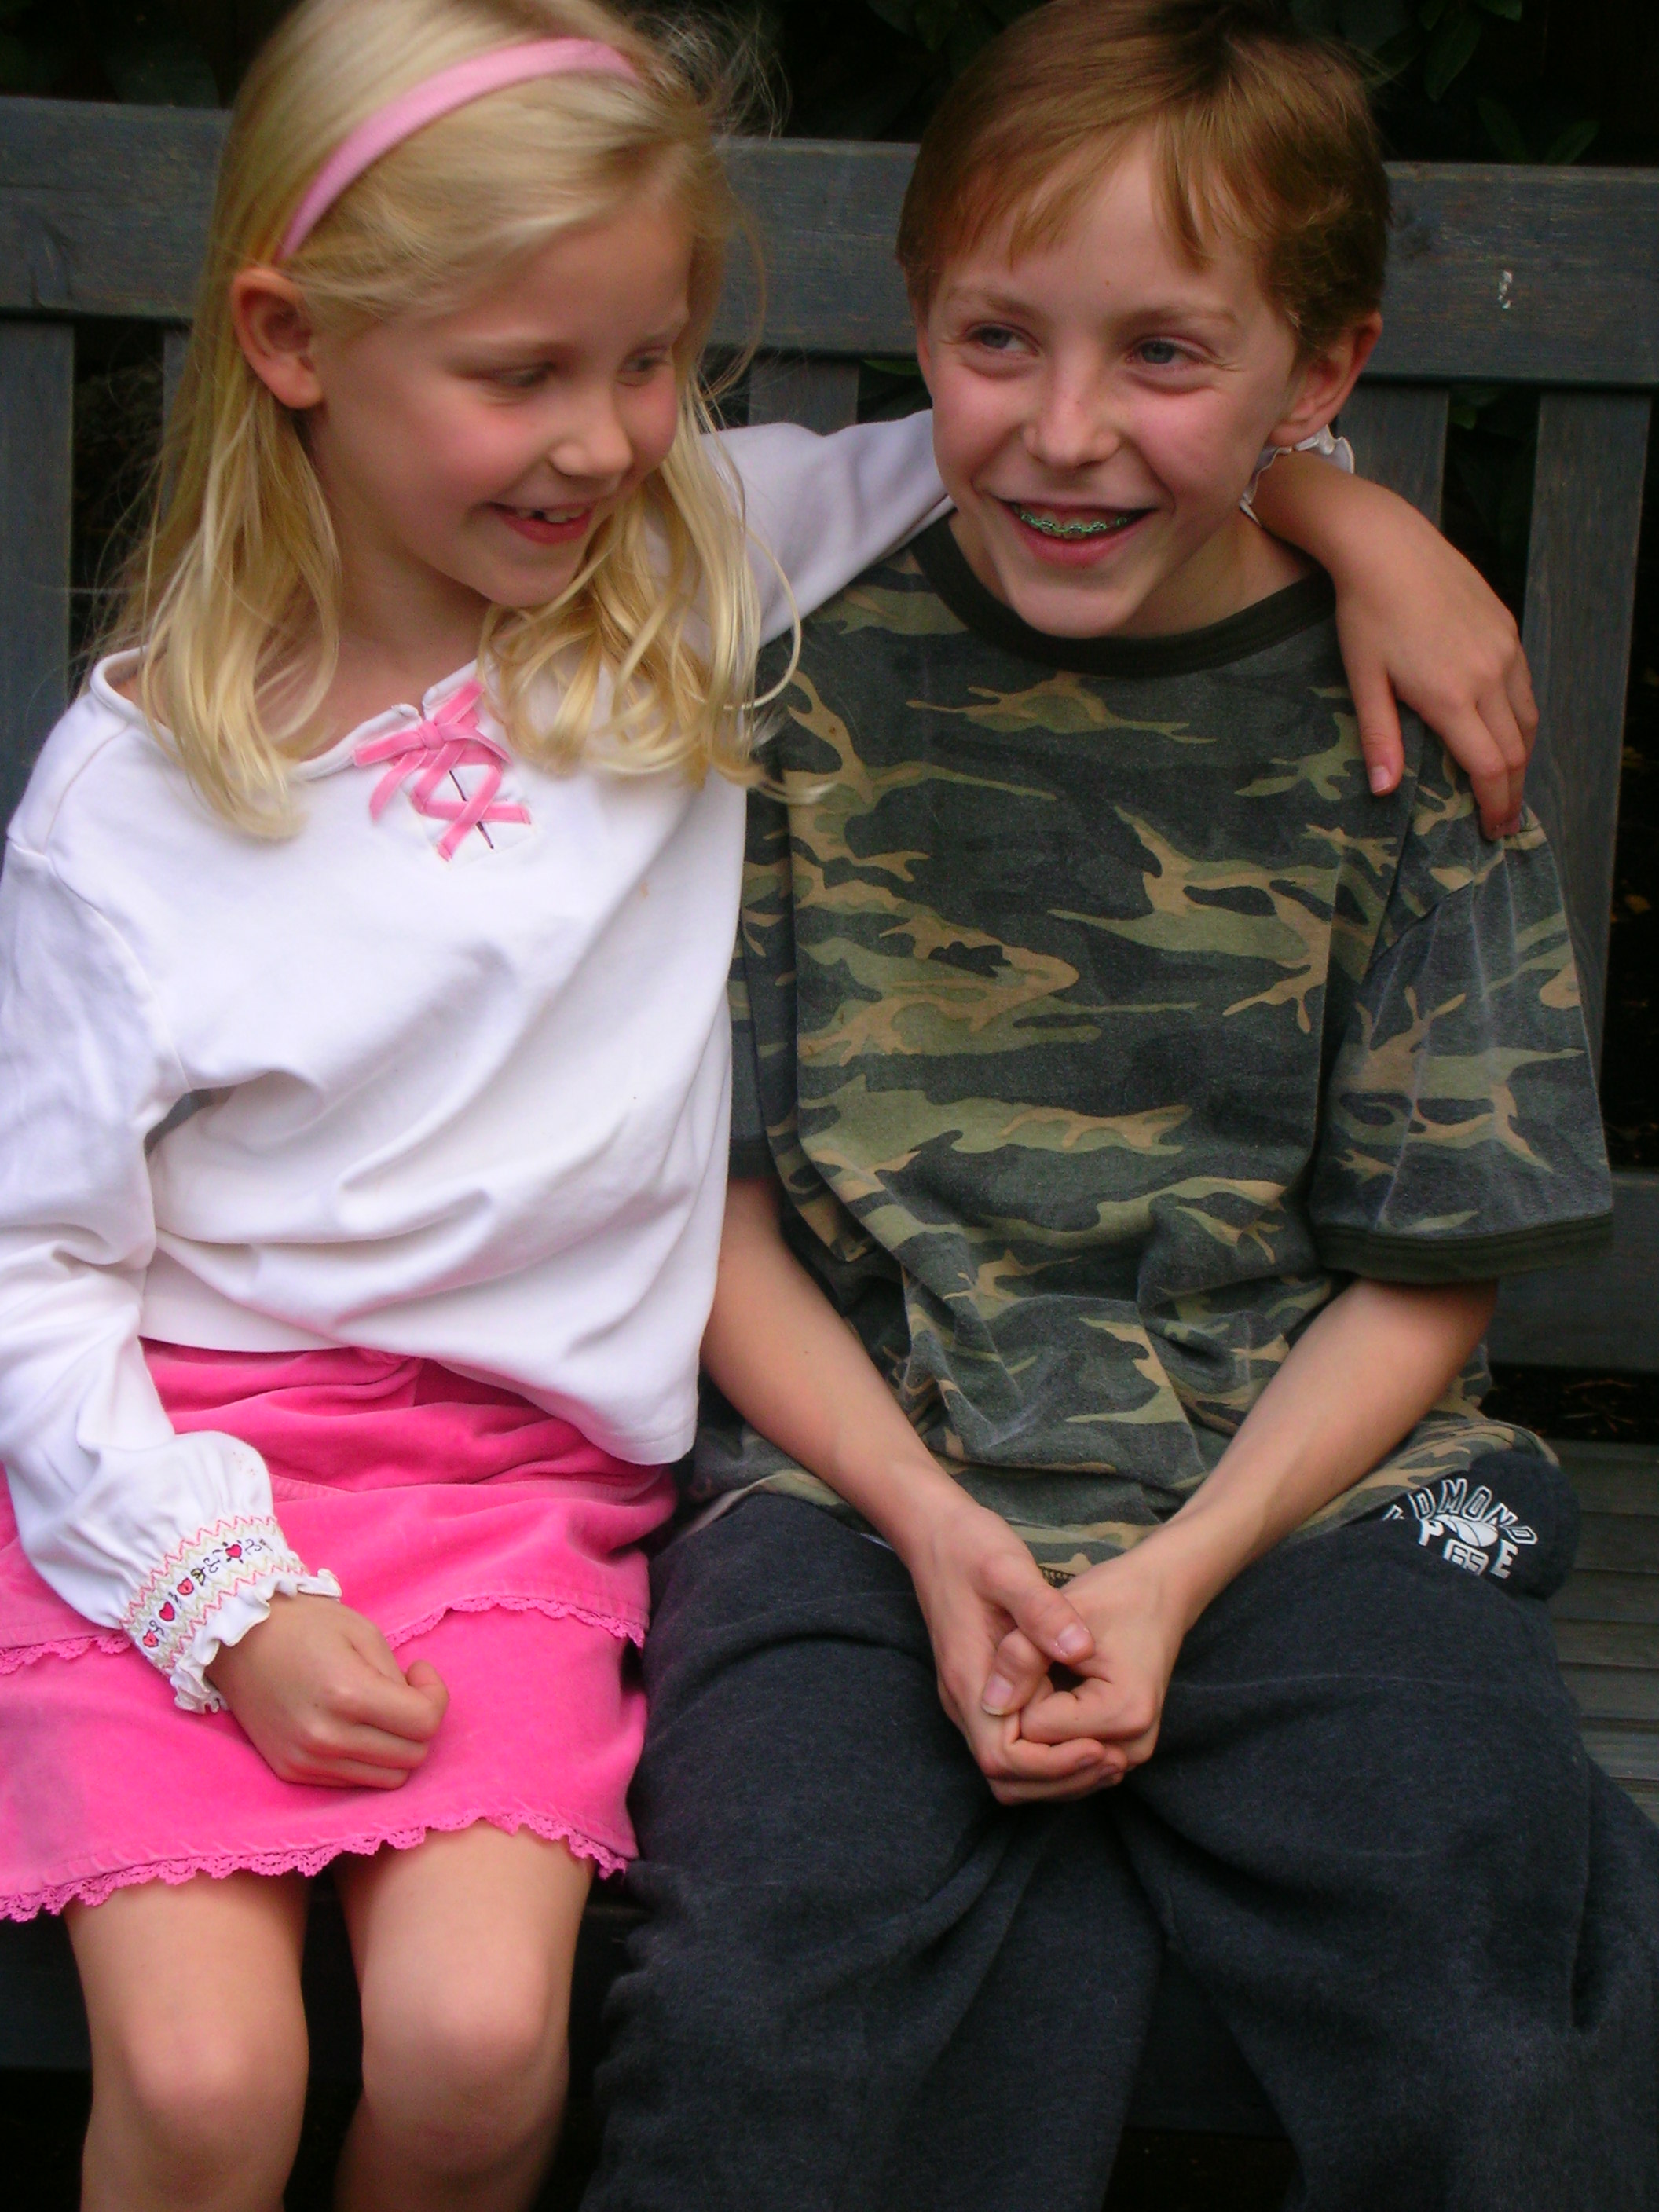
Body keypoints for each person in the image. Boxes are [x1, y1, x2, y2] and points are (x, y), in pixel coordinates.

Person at [0, 0, 1552, 2206]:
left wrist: (1354, 516)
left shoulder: (675, 569)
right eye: (524, 374)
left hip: (523, 1493)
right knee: (207, 2085)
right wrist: (209, 1590)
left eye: (653, 364)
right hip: (169, 1487)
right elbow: (31, 1267)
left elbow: (1061, 437)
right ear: (291, 340)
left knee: (471, 2051)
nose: (603, 440)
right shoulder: (137, 804)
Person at [584, 5, 1659, 2210]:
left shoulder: (1407, 727)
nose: (1066, 433)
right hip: (848, 1493)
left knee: (1478, 1980)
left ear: (1319, 368)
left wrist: (1171, 1577)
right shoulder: (779, 675)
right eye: (1000, 338)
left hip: (1313, 1505)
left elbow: (1430, 1274)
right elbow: (717, 1211)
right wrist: (927, 1522)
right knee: (756, 2007)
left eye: (1167, 355)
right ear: (923, 321)